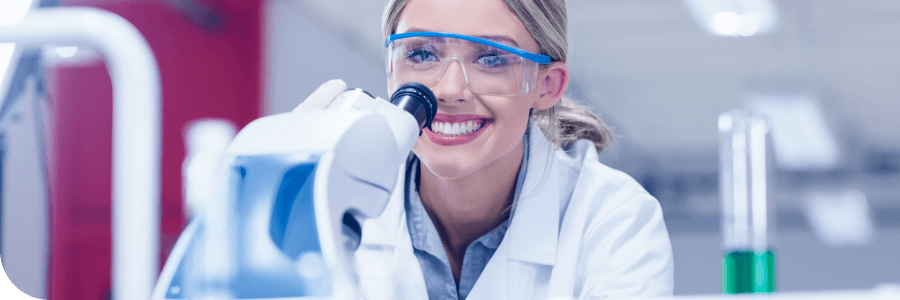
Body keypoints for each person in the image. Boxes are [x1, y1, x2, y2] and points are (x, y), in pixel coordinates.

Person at [334, 0, 675, 299]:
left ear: (546, 86)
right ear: (392, 69)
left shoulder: (613, 220)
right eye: (422, 54)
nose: (450, 90)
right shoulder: (329, 199)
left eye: (491, 58)